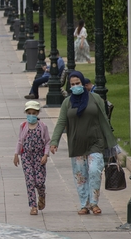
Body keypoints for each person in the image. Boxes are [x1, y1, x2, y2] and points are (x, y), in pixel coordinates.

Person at [49, 71, 120, 215]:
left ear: (83, 83)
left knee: (94, 170)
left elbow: (104, 120)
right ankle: (84, 204)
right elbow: (61, 122)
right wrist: (54, 141)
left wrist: (111, 144)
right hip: (77, 144)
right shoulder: (67, 103)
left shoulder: (95, 99)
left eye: (78, 83)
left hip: (96, 142)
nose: (75, 86)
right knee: (80, 175)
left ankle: (94, 203)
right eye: (73, 84)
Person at [14, 100, 50, 215]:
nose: (31, 115)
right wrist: (16, 154)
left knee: (39, 181)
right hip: (26, 156)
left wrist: (45, 154)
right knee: (30, 181)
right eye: (29, 113)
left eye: (34, 113)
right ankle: (33, 206)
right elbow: (20, 141)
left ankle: (42, 195)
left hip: (39, 156)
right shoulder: (23, 126)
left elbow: (47, 141)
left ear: (37, 113)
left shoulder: (43, 126)